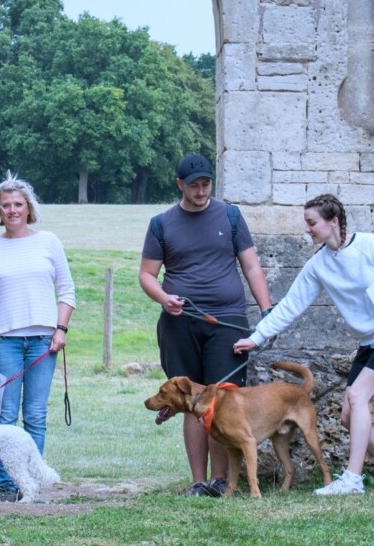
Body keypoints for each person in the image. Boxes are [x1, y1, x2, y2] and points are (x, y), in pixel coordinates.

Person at [233, 193, 374, 495]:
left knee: (358, 396)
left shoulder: (371, 245)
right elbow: (290, 306)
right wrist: (255, 338)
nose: (307, 229)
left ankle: (352, 479)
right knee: (349, 415)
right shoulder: (318, 264)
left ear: (333, 222)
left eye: (312, 223)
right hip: (369, 343)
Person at [138, 153, 273, 498]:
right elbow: (147, 275)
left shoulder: (230, 216)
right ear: (179, 184)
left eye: (206, 184)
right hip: (179, 324)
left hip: (227, 321)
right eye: (194, 185)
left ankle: (221, 481)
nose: (201, 191)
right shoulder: (161, 223)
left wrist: (266, 309)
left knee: (223, 401)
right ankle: (198, 481)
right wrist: (163, 298)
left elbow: (252, 267)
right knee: (189, 402)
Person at [0, 173, 76, 503]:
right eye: (6, 206)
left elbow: (67, 291)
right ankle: (5, 485)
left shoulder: (49, 242)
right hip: (4, 342)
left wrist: (60, 329)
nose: (13, 210)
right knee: (5, 416)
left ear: (29, 207)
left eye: (18, 204)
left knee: (35, 415)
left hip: (44, 342)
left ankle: (32, 484)